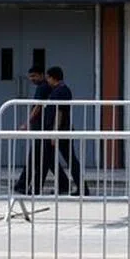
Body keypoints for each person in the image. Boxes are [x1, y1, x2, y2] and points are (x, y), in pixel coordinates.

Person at [40, 66, 88, 196]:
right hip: (58, 130)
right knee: (48, 158)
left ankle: (81, 188)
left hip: (61, 131)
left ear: (53, 77)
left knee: (70, 160)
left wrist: (55, 132)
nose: (47, 80)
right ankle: (64, 184)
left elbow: (59, 112)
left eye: (48, 77)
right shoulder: (58, 90)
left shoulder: (61, 91)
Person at [11, 66, 51, 194]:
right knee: (45, 157)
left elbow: (38, 106)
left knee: (36, 156)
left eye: (34, 76)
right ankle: (63, 183)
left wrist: (27, 122)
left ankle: (24, 185)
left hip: (41, 126)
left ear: (41, 75)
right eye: (30, 77)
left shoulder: (43, 87)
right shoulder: (45, 86)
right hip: (42, 126)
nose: (31, 79)